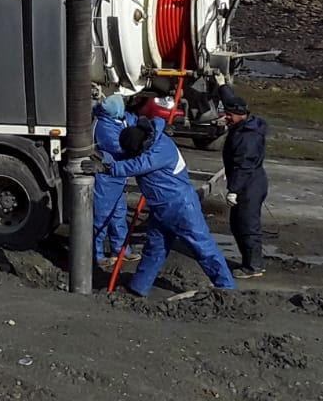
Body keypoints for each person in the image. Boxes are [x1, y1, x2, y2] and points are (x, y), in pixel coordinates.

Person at [102, 114, 236, 296]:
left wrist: (108, 168)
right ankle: (139, 287)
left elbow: (136, 165)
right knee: (154, 249)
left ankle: (226, 287)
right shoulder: (149, 140)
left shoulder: (160, 149)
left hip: (181, 207)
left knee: (202, 247)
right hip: (161, 209)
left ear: (140, 147)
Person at [219, 82, 269, 279]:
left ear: (240, 114)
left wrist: (233, 190)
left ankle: (254, 266)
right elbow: (230, 99)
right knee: (237, 224)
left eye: (229, 115)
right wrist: (222, 86)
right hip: (249, 181)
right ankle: (250, 261)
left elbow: (244, 166)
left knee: (247, 225)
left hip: (249, 185)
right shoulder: (244, 125)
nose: (226, 117)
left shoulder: (248, 138)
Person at [92, 95, 138, 270]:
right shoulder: (104, 126)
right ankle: (96, 254)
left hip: (118, 176)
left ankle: (121, 249)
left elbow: (134, 121)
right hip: (107, 177)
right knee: (101, 217)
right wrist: (138, 145)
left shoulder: (120, 120)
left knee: (119, 214)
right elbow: (121, 147)